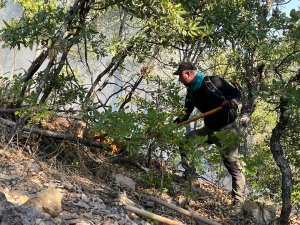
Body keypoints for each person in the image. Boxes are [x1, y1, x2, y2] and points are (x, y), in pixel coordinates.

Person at [173, 61, 245, 206]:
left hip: (227, 130)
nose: (179, 80)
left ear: (187, 73)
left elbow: (236, 93)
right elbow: (185, 114)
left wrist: (233, 101)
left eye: (180, 76)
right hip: (209, 130)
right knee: (186, 142)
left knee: (232, 164)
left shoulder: (214, 82)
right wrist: (172, 124)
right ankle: (191, 177)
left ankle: (239, 201)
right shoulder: (191, 93)